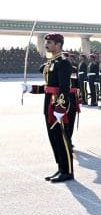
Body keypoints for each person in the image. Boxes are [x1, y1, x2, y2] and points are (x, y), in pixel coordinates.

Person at [20, 33, 74, 183]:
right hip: (49, 102)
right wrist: (31, 88)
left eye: (49, 42)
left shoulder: (63, 62)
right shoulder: (52, 62)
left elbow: (64, 87)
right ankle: (61, 167)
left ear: (58, 44)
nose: (47, 45)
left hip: (58, 105)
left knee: (62, 138)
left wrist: (61, 107)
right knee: (54, 137)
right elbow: (49, 87)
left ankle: (68, 170)